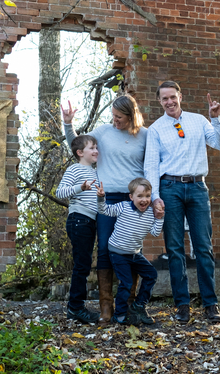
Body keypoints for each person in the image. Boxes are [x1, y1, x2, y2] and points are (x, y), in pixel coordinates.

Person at [144, 80, 220, 324]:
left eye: (173, 97)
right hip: (169, 188)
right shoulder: (156, 129)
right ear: (159, 101)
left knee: (203, 247)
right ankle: (182, 305)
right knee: (174, 249)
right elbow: (151, 165)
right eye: (164, 99)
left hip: (197, 187)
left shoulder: (199, 121)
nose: (169, 102)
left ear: (180, 96)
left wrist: (215, 118)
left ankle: (211, 304)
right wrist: (155, 197)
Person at [62, 95, 147, 323]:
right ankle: (106, 307)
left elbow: (152, 165)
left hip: (133, 201)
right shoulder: (103, 131)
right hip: (105, 198)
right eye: (113, 116)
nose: (115, 120)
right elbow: (77, 144)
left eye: (119, 117)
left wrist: (151, 197)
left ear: (131, 116)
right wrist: (68, 123)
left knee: (131, 250)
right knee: (106, 250)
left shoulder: (145, 135)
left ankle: (127, 305)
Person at [97, 177, 164, 325]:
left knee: (151, 274)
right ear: (131, 197)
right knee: (126, 283)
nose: (144, 200)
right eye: (139, 196)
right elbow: (104, 210)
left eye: (147, 196)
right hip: (118, 252)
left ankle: (139, 305)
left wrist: (159, 218)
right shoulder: (123, 207)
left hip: (134, 254)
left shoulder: (150, 213)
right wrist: (101, 198)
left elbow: (154, 233)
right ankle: (119, 314)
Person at [55, 134, 104, 324]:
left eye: (96, 147)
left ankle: (76, 307)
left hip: (90, 221)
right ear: (80, 152)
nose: (96, 151)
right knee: (81, 265)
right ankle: (75, 308)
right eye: (92, 148)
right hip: (78, 220)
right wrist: (80, 187)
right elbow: (60, 192)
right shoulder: (75, 169)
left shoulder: (96, 172)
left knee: (84, 264)